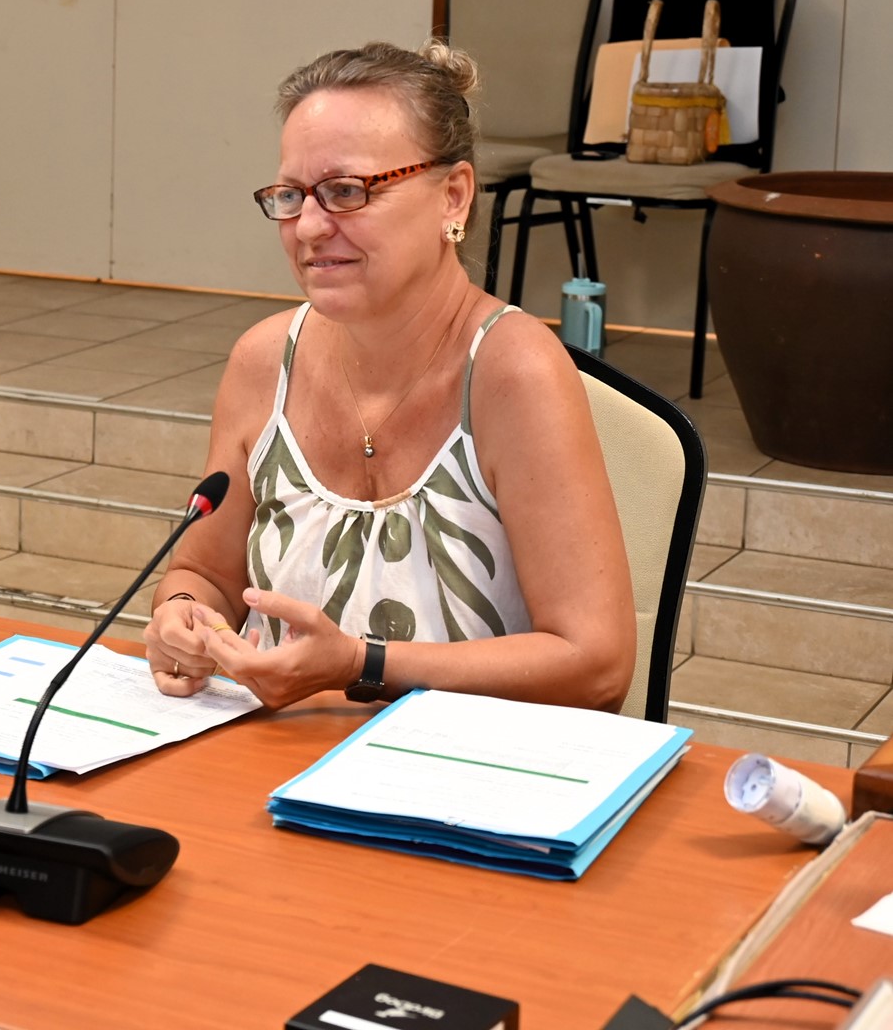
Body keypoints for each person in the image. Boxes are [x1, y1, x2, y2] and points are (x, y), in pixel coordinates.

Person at [144, 41, 634, 712]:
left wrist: (361, 664)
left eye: (347, 192)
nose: (309, 227)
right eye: (291, 195)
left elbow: (596, 665)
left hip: (459, 764)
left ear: (453, 197)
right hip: (277, 752)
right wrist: (182, 615)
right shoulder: (263, 361)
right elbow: (204, 572)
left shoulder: (514, 372)